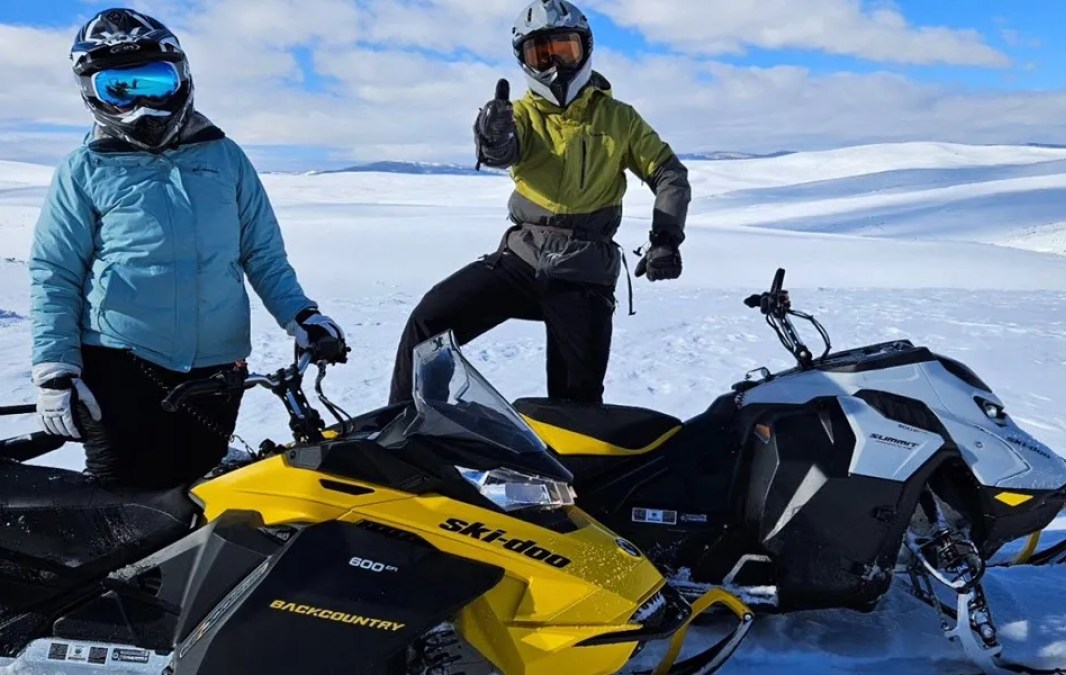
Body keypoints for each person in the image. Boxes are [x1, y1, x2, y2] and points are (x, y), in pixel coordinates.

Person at [30, 8, 347, 490]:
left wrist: (301, 315)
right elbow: (56, 272)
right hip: (119, 363)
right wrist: (55, 369)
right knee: (124, 501)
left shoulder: (225, 157)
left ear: (182, 79)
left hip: (218, 369)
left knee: (201, 492)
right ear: (91, 93)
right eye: (119, 89)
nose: (142, 109)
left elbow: (262, 253)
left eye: (154, 85)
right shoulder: (83, 169)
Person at [389, 0, 691, 407]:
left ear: (585, 48)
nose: (555, 65)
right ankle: (406, 433)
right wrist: (491, 136)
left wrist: (666, 238)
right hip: (521, 260)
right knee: (429, 323)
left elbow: (669, 173)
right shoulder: (522, 115)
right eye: (541, 53)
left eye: (564, 50)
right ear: (524, 60)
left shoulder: (620, 119)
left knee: (576, 402)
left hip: (585, 269)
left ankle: (580, 469)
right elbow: (503, 151)